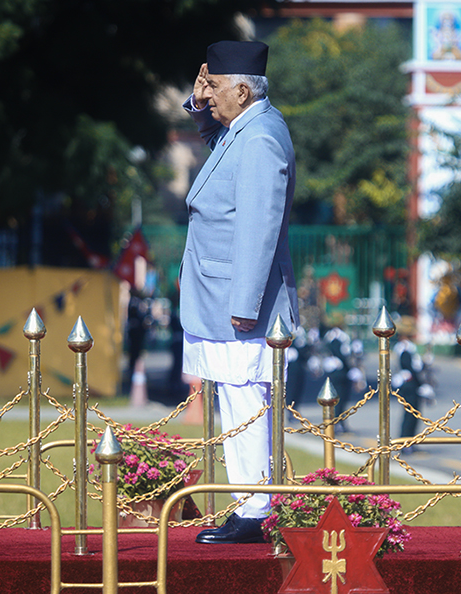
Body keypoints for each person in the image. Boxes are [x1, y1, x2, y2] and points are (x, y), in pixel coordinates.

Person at [179, 40, 298, 545]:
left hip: (238, 304)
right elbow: (214, 138)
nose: (210, 97)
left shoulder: (261, 137)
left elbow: (258, 228)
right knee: (235, 399)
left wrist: (245, 304)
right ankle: (250, 502)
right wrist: (197, 100)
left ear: (243, 91)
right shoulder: (246, 127)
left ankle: (256, 509)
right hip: (223, 297)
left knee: (245, 402)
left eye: (216, 88)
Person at [393, 316, 434, 449]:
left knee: (414, 415)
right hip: (409, 384)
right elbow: (410, 368)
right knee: (410, 415)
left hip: (412, 383)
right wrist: (422, 384)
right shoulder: (404, 348)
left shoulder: (409, 347)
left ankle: (410, 441)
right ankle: (405, 442)